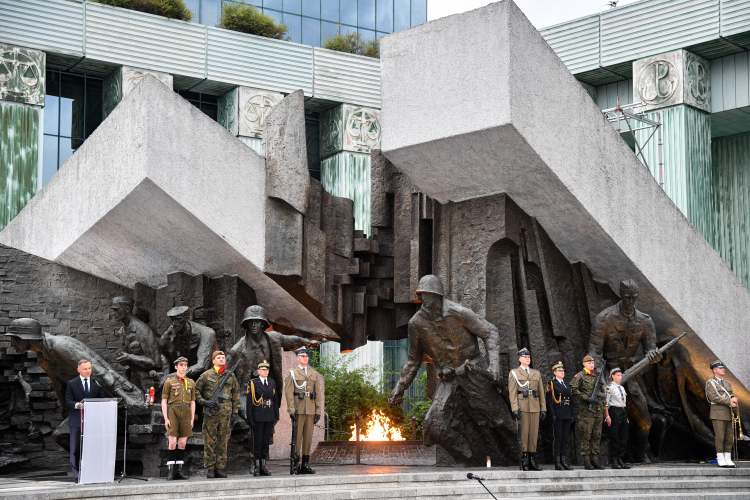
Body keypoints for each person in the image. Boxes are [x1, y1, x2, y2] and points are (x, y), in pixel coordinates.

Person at [388, 275, 512, 464]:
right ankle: (472, 461)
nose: (425, 300)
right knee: (433, 427)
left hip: (473, 371)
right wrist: (399, 388)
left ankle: (524, 455)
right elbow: (413, 361)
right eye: (423, 295)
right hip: (448, 379)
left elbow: (490, 332)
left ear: (438, 296)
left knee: (500, 420)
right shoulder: (416, 324)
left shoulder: (459, 312)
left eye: (429, 295)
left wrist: (494, 364)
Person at [588, 279, 661, 462]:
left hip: (632, 373)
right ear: (621, 295)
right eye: (627, 297)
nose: (630, 301)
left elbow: (650, 350)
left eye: (634, 297)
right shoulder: (604, 319)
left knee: (645, 422)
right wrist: (602, 381)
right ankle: (612, 457)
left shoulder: (645, 321)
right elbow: (594, 354)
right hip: (609, 375)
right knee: (609, 422)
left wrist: (653, 356)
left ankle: (638, 454)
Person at [227, 305, 316, 423]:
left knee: (268, 423)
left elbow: (291, 339)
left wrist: (308, 342)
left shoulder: (273, 338)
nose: (254, 325)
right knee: (253, 421)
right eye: (251, 322)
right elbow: (225, 374)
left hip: (267, 389)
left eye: (257, 321)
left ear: (263, 324)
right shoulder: (237, 350)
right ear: (246, 324)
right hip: (246, 391)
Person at [195, 351, 240, 478]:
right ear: (213, 361)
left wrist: (235, 411)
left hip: (225, 415)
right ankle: (210, 468)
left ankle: (220, 468)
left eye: (223, 358)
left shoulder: (230, 376)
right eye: (218, 358)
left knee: (223, 442)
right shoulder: (206, 375)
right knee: (209, 442)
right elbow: (195, 391)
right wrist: (204, 402)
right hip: (211, 415)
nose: (221, 360)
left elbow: (235, 394)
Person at [64, 359, 108, 482]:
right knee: (75, 449)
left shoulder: (97, 382)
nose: (88, 371)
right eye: (85, 369)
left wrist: (108, 403)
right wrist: (76, 405)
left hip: (93, 420)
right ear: (79, 370)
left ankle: (93, 474)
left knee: (92, 448)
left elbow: (102, 399)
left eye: (89, 368)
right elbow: (67, 401)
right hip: (77, 420)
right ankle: (77, 475)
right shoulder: (72, 383)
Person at [111, 296, 164, 390]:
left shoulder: (142, 329)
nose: (113, 313)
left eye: (116, 310)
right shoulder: (122, 331)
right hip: (134, 380)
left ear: (127, 309)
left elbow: (156, 362)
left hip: (150, 383)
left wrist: (129, 357)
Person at [284, 347, 322, 475]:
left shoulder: (313, 373)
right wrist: (291, 409)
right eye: (302, 356)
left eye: (306, 356)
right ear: (297, 358)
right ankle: (296, 464)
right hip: (298, 408)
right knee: (297, 437)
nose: (304, 358)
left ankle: (305, 464)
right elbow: (289, 392)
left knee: (308, 438)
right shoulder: (292, 373)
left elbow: (317, 394)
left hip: (310, 409)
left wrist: (318, 411)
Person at [508, 348, 546, 471]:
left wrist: (543, 408)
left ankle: (532, 460)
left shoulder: (536, 373)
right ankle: (524, 459)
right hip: (522, 407)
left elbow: (541, 392)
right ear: (519, 359)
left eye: (528, 357)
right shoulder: (514, 373)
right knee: (523, 434)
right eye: (525, 357)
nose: (527, 359)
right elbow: (512, 393)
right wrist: (515, 408)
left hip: (535, 407)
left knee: (533, 434)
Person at [160, 356, 196, 480]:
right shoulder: (169, 382)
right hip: (174, 411)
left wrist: (192, 418)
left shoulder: (191, 382)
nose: (183, 367)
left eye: (185, 365)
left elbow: (192, 401)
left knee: (182, 443)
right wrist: (166, 417)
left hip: (186, 412)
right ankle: (170, 471)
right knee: (172, 443)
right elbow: (164, 401)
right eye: (181, 365)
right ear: (176, 366)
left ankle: (179, 471)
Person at [159, 306, 217, 380]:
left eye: (178, 319)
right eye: (172, 320)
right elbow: (164, 354)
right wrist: (165, 378)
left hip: (207, 378)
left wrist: (170, 377)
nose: (174, 323)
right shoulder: (168, 335)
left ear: (186, 318)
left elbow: (202, 365)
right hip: (182, 378)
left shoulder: (206, 333)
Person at [570, 355, 606, 470]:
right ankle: (586, 461)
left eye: (593, 363)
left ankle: (595, 459)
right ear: (584, 364)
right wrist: (586, 398)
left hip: (597, 411)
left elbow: (602, 392)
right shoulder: (580, 376)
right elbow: (573, 390)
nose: (592, 365)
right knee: (586, 436)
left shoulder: (596, 376)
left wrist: (602, 404)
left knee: (596, 436)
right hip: (586, 412)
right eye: (589, 363)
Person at [247, 360, 279, 476]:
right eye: (263, 370)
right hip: (258, 414)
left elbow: (275, 400)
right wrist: (250, 418)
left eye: (267, 370)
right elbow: (249, 402)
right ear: (258, 371)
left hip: (269, 414)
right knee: (258, 442)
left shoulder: (272, 383)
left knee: (266, 442)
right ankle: (257, 466)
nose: (265, 372)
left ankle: (263, 466)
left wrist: (276, 415)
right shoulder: (253, 383)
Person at [705, 360, 738, 467]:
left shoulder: (727, 382)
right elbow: (712, 397)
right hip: (718, 413)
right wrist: (729, 401)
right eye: (720, 368)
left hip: (729, 413)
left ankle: (728, 458)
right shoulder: (710, 383)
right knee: (720, 437)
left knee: (729, 437)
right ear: (714, 370)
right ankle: (720, 458)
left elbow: (731, 394)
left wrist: (734, 399)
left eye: (723, 368)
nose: (723, 369)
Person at [546, 361, 572, 470]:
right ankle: (557, 461)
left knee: (565, 438)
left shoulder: (566, 384)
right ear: (554, 372)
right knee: (558, 438)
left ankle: (564, 460)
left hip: (567, 412)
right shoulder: (551, 383)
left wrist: (571, 414)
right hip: (558, 412)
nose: (562, 372)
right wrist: (552, 414)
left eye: (563, 371)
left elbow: (571, 400)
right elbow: (549, 401)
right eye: (560, 371)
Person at [605, 367, 631, 469]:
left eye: (621, 375)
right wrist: (607, 416)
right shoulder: (609, 388)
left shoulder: (622, 388)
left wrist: (626, 416)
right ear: (613, 376)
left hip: (622, 411)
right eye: (618, 375)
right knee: (614, 436)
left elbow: (623, 403)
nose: (620, 377)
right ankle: (614, 459)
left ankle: (621, 458)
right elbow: (606, 404)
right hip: (614, 411)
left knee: (623, 436)